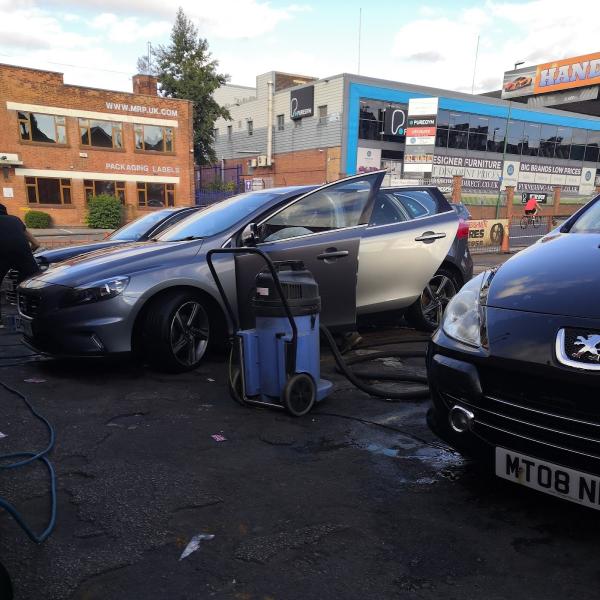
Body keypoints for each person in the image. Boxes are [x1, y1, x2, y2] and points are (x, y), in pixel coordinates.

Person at [0, 204, 40, 324]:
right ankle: (34, 315)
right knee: (31, 283)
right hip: (22, 253)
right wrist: (26, 253)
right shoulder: (15, 220)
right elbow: (36, 244)